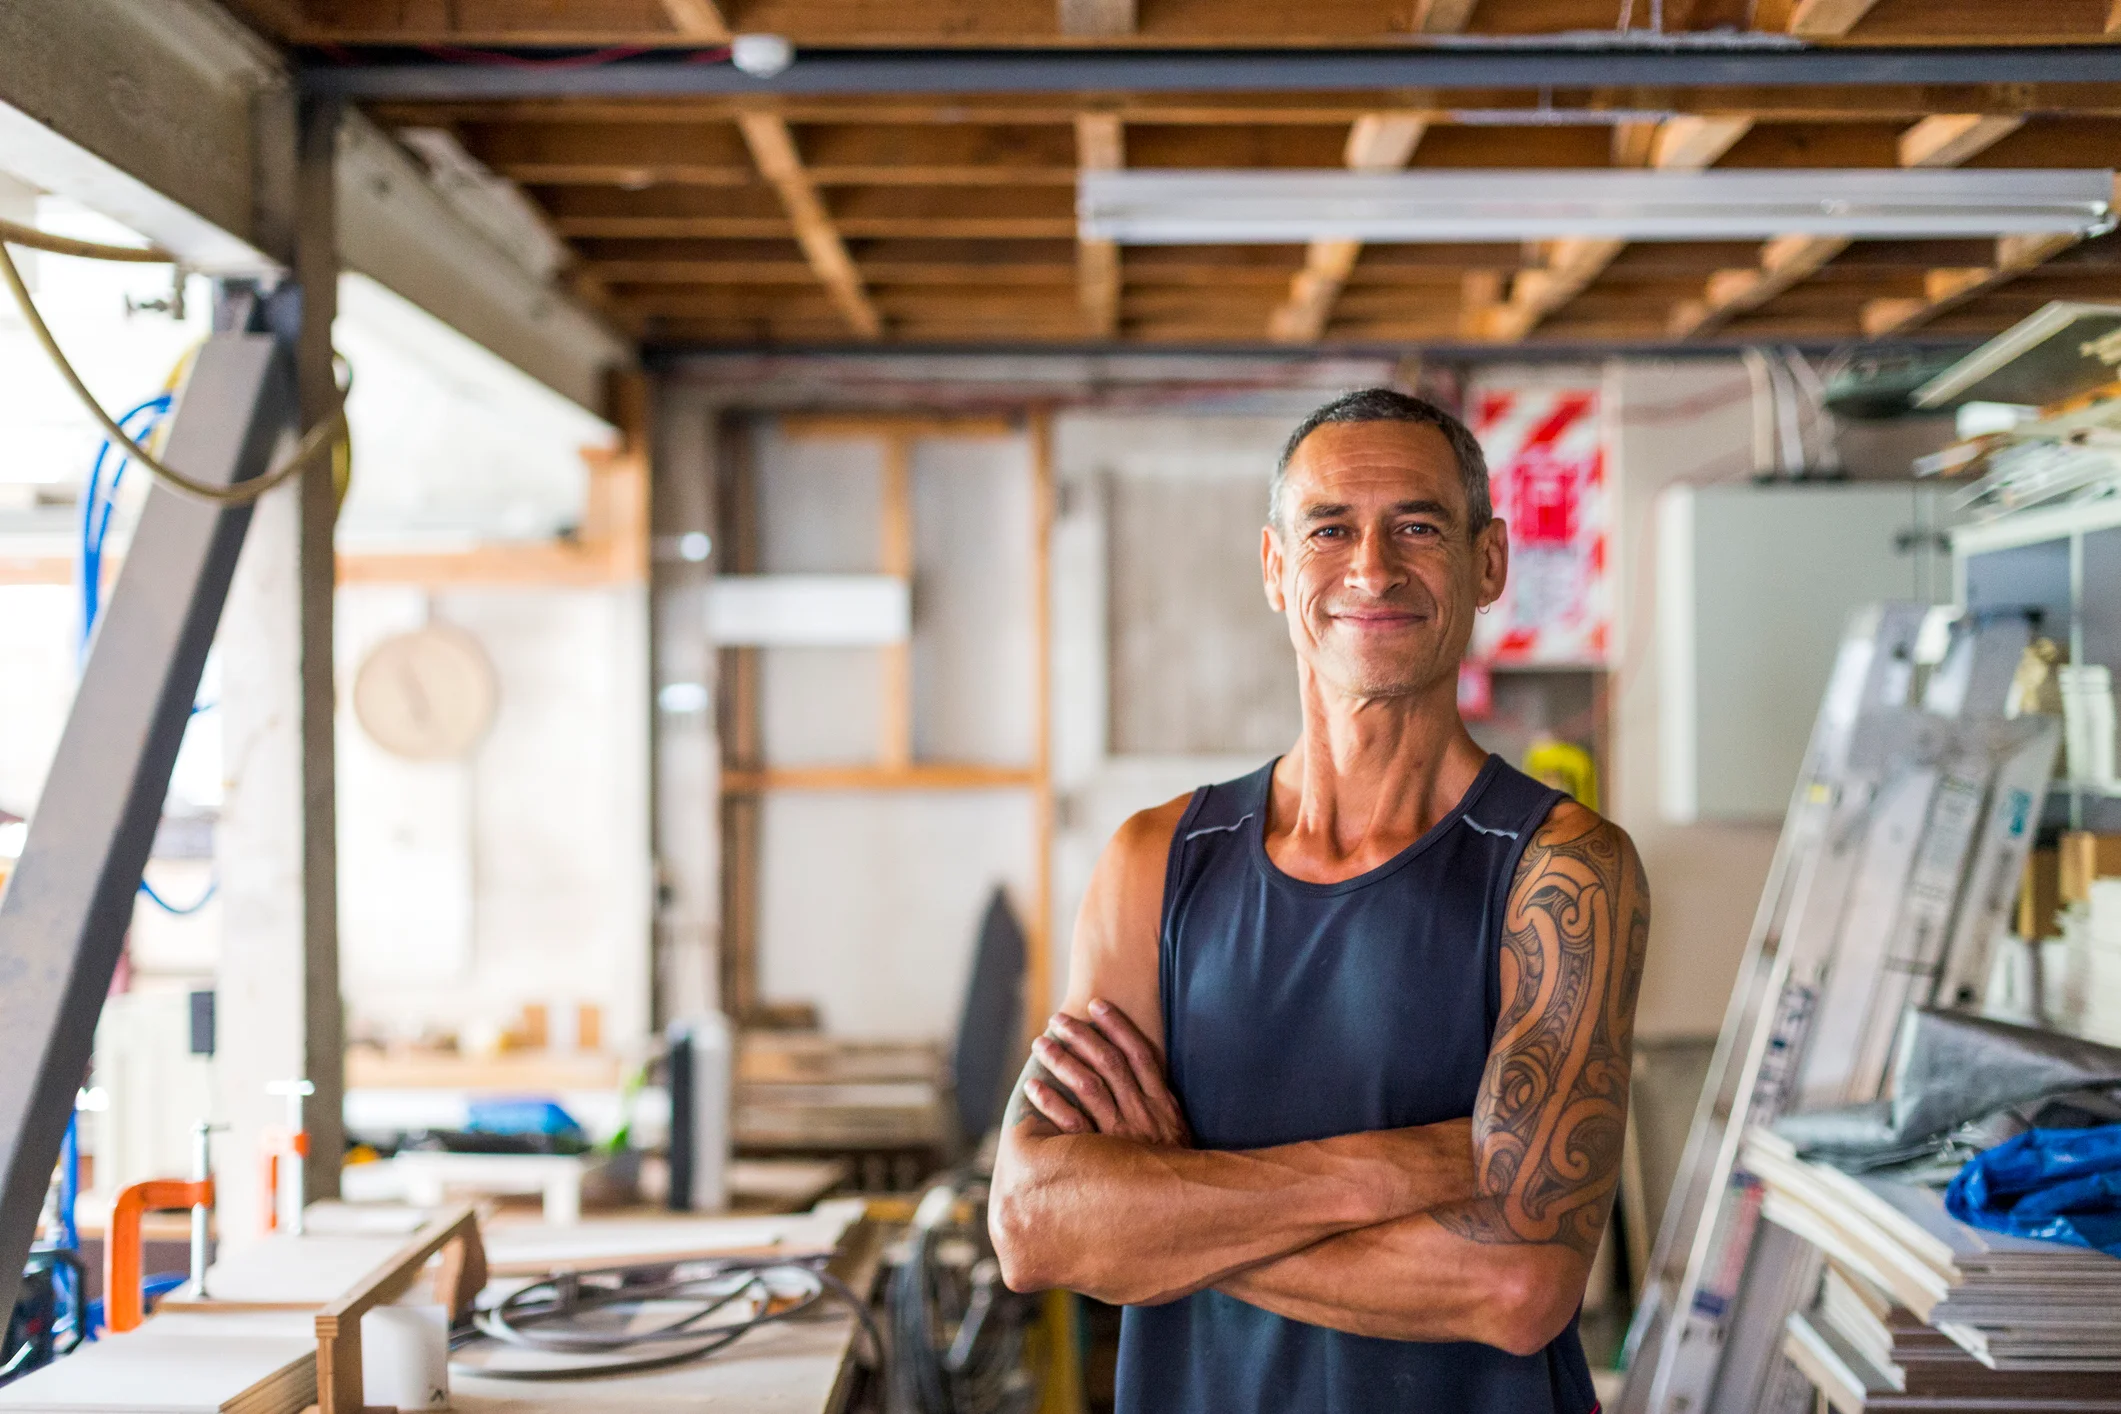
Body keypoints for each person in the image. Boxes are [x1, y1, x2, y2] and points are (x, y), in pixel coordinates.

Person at [988, 388, 1650, 1413]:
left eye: (1418, 527)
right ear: (1273, 566)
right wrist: (1396, 1175)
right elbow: (1036, 1223)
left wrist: (1169, 1205)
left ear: (1489, 564)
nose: (1373, 567)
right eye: (1330, 528)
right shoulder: (1154, 863)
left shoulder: (1560, 870)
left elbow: (1520, 1283)